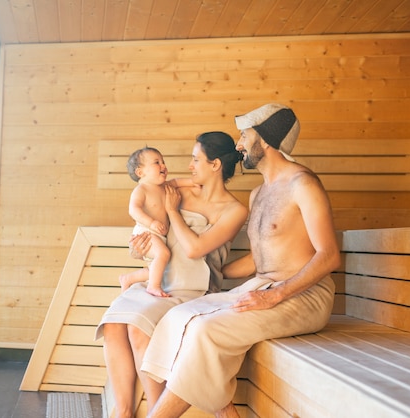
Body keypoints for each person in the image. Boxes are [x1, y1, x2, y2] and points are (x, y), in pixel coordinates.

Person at [141, 103, 341, 418]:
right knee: (179, 317)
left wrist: (275, 294)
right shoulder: (259, 193)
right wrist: (209, 273)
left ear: (266, 140)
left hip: (305, 295)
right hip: (264, 284)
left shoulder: (303, 184)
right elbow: (260, 259)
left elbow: (328, 256)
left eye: (244, 135)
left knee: (206, 331)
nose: (238, 144)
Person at [95, 132, 248, 418]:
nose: (189, 165)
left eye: (195, 159)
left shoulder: (235, 210)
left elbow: (194, 249)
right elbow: (150, 230)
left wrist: (171, 211)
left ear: (215, 165)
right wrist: (139, 250)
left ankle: (156, 412)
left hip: (193, 290)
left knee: (137, 328)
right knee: (115, 324)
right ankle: (124, 412)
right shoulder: (176, 189)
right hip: (161, 282)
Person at [120, 146, 188, 296]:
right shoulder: (141, 189)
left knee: (157, 267)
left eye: (163, 161)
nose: (163, 165)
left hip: (159, 235)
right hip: (146, 232)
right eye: (157, 162)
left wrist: (194, 182)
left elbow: (177, 182)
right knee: (163, 254)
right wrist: (151, 223)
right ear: (140, 172)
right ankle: (153, 287)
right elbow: (134, 210)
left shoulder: (165, 187)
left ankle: (128, 278)